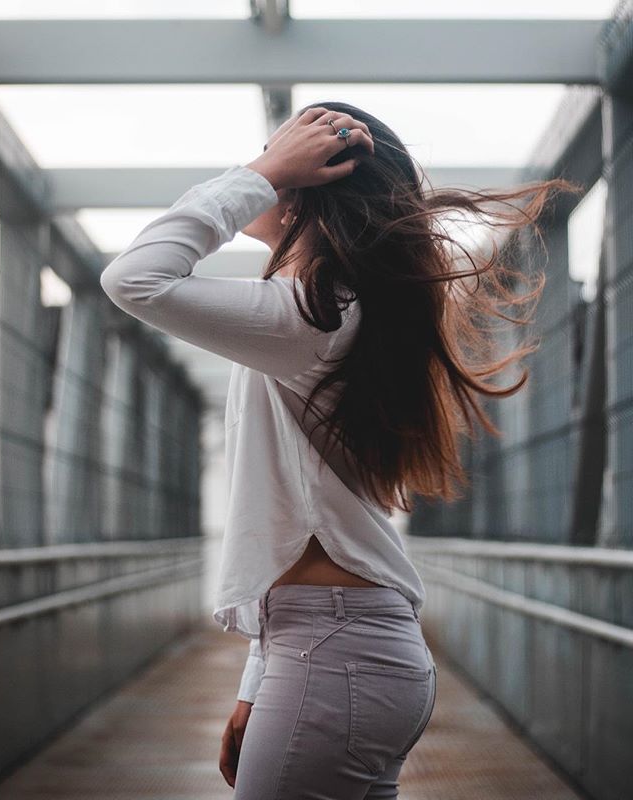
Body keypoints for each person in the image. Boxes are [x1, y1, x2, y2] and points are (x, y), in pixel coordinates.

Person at [99, 101, 579, 799]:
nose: (260, 166)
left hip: (334, 656)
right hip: (344, 650)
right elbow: (299, 520)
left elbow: (132, 279)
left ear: (303, 188)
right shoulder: (333, 311)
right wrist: (259, 677)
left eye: (279, 156)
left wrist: (259, 176)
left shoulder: (313, 314)